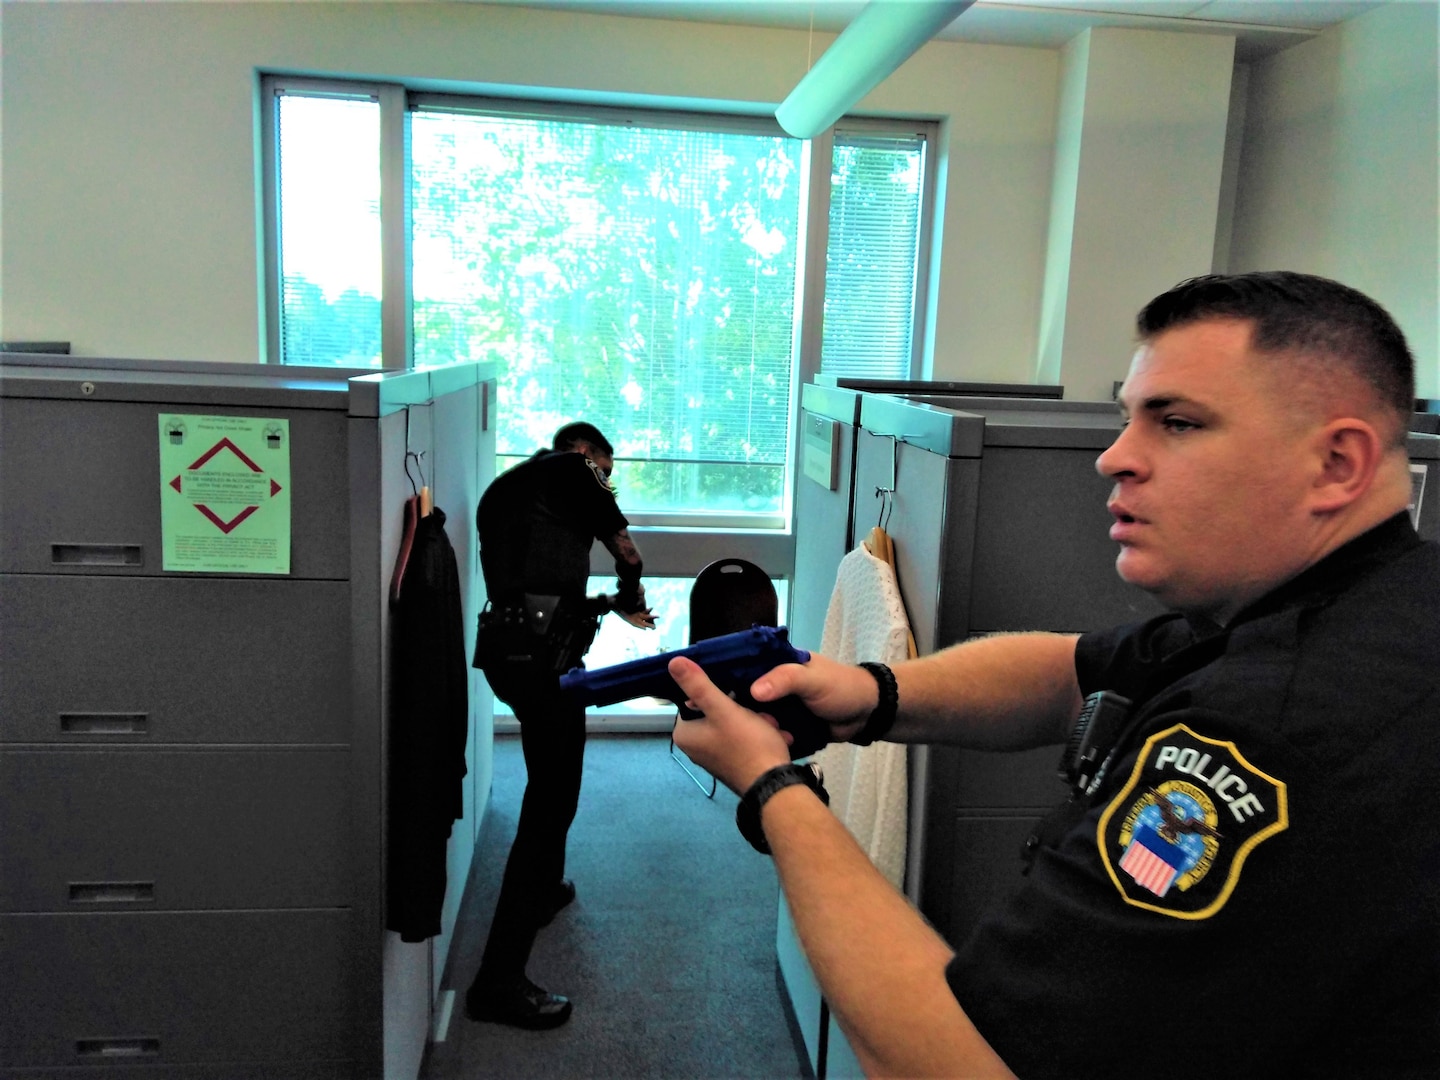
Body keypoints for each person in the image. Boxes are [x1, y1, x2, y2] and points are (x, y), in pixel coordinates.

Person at [671, 271, 1439, 1078]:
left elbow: (961, 1063)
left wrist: (770, 788)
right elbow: (1070, 671)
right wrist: (869, 696)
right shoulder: (1355, 606)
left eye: (1176, 423)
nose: (1114, 458)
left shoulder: (1269, 725)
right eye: (1125, 419)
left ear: (1336, 463)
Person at [466, 421, 655, 1030]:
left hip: (508, 652)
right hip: (544, 661)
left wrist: (604, 607)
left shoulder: (507, 488)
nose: (607, 480)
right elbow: (628, 551)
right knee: (550, 804)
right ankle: (497, 982)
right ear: (584, 452)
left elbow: (536, 584)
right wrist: (630, 589)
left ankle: (544, 889)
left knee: (551, 784)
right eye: (606, 467)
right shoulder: (574, 472)